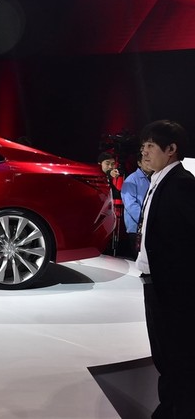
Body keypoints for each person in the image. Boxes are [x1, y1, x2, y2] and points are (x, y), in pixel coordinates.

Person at [136, 119, 195, 418]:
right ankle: (169, 406)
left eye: (150, 145)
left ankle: (178, 409)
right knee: (163, 353)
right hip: (156, 280)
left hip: (174, 286)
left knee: (176, 352)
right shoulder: (159, 181)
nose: (144, 152)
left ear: (171, 149)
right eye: (143, 146)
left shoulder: (182, 184)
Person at [120, 151, 152, 259]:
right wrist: (144, 219)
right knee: (138, 258)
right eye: (146, 161)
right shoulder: (132, 179)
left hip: (148, 226)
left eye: (151, 160)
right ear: (139, 163)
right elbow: (130, 205)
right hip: (136, 228)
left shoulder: (152, 178)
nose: (149, 163)